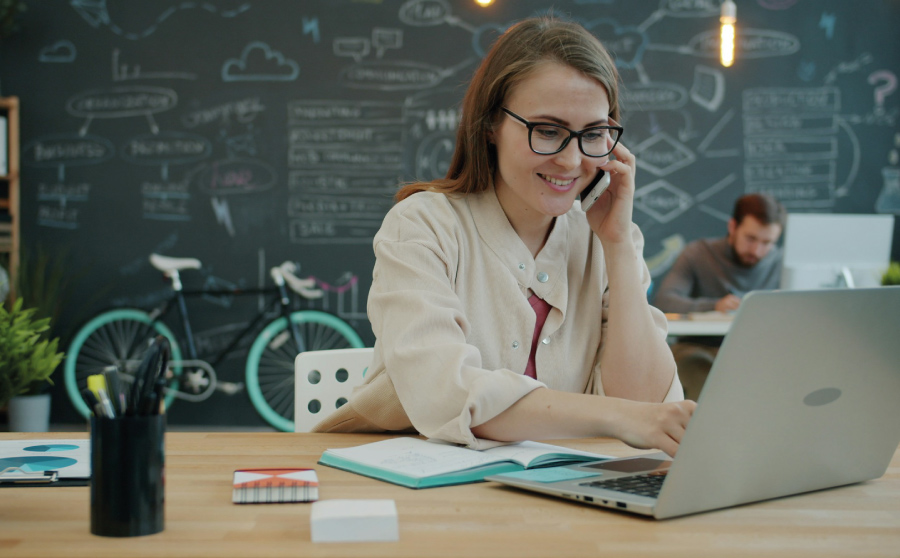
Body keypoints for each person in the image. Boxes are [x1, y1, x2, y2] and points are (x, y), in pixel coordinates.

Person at [313, 16, 695, 458]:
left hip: (560, 492)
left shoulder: (606, 241)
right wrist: (613, 415)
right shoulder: (422, 226)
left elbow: (645, 405)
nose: (572, 161)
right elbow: (447, 393)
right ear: (491, 124)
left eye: (592, 134)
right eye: (548, 130)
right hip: (417, 486)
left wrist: (618, 244)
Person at [653, 193, 786, 400]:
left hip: (757, 352)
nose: (757, 250)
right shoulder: (698, 253)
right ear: (733, 227)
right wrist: (715, 305)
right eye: (750, 238)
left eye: (767, 242)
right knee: (701, 373)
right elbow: (664, 301)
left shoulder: (782, 263)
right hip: (697, 349)